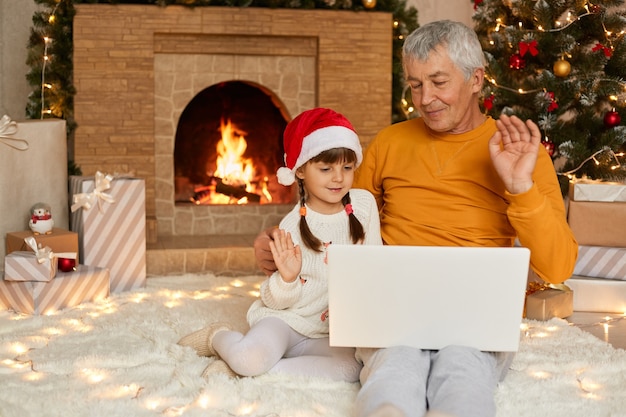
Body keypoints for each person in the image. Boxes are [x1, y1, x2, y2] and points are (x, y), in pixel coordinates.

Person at [253, 20, 578, 417]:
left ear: (476, 79)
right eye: (416, 84)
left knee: (463, 367)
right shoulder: (391, 142)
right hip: (392, 305)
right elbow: (341, 216)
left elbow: (558, 266)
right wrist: (280, 241)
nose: (426, 99)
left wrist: (519, 186)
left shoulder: (519, 153)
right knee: (394, 363)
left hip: (473, 313)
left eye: (439, 82)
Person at [178, 107, 383, 382]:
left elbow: (376, 267)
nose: (338, 177)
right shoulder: (291, 227)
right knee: (248, 358)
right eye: (326, 168)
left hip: (329, 334)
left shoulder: (363, 205)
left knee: (354, 370)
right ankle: (218, 337)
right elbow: (274, 300)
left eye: (347, 168)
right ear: (299, 171)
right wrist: (287, 278)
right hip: (286, 322)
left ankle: (248, 372)